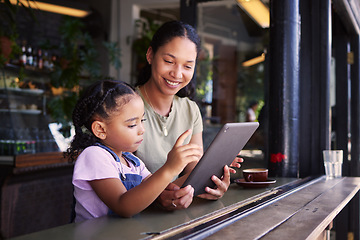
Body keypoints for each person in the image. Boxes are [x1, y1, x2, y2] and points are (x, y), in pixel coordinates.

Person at [134, 20, 242, 210]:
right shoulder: (125, 106)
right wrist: (160, 195)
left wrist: (211, 180)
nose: (177, 73)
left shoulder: (190, 110)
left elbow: (192, 176)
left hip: (172, 221)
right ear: (150, 55)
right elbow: (120, 182)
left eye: (187, 66)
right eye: (169, 61)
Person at [66, 79, 202, 222]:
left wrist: (201, 171)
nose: (142, 130)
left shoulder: (132, 161)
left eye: (142, 121)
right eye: (132, 125)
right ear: (100, 129)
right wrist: (170, 168)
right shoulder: (94, 156)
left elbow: (160, 191)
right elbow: (123, 206)